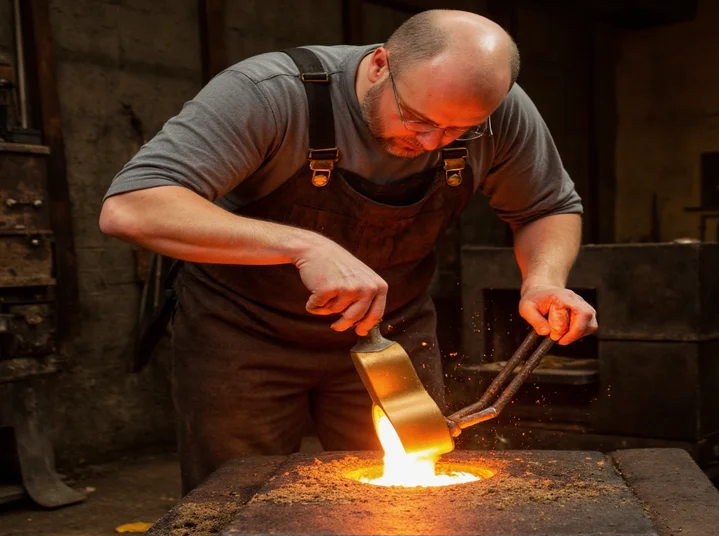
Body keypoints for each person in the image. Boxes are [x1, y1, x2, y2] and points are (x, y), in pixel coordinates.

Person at [99, 9, 597, 493]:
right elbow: (133, 207)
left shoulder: (496, 111)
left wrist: (544, 279)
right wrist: (302, 245)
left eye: (457, 132)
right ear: (380, 63)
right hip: (243, 331)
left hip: (390, 335)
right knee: (234, 505)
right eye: (416, 118)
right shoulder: (269, 94)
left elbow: (546, 206)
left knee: (411, 498)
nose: (430, 142)